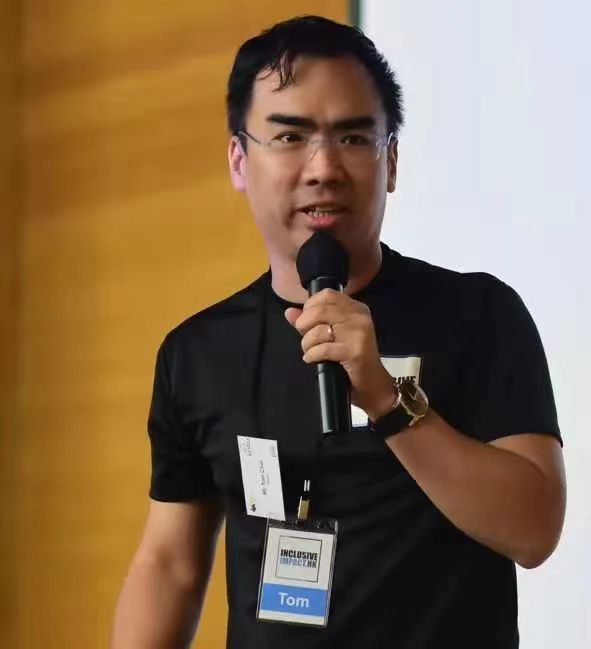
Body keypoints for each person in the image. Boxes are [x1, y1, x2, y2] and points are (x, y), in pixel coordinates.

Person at [111, 15, 566, 649]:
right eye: (289, 136)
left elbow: (534, 529)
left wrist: (387, 401)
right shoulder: (197, 353)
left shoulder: (479, 315)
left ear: (392, 160)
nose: (323, 168)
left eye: (353, 137)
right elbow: (170, 564)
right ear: (240, 160)